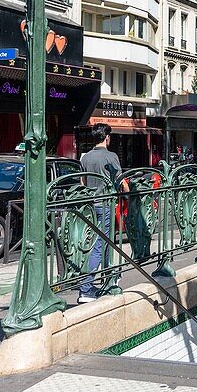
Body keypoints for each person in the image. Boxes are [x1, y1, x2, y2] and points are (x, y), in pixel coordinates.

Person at [78, 123, 123, 304]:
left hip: (90, 206)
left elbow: (82, 183)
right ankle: (86, 288)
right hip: (105, 204)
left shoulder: (85, 158)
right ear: (107, 138)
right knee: (99, 244)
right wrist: (130, 193)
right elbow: (119, 180)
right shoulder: (111, 156)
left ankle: (109, 276)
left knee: (101, 242)